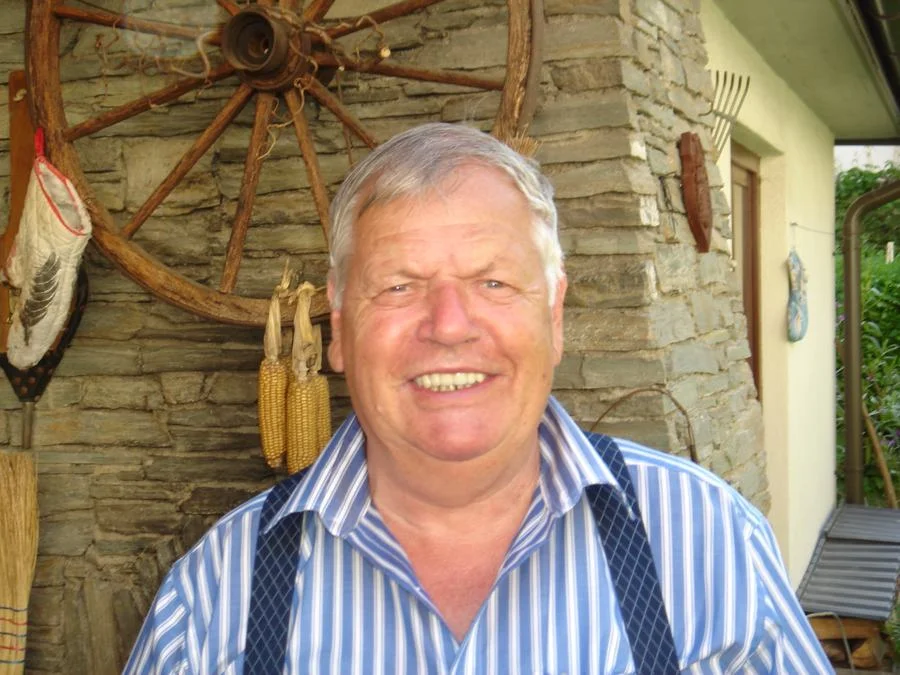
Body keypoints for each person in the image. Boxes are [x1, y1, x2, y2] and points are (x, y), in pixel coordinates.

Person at [124, 123, 832, 674]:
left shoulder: (710, 544)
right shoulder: (216, 594)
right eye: (398, 285)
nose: (449, 325)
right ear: (339, 328)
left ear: (553, 315)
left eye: (493, 282)